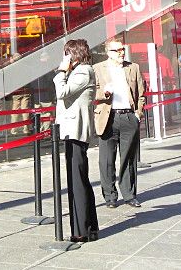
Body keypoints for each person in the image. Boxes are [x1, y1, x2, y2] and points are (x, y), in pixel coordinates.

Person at [53, 39, 99, 242]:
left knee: (77, 181)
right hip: (72, 130)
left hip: (75, 130)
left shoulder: (82, 71)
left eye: (66, 54)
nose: (64, 58)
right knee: (79, 179)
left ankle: (81, 230)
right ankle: (89, 228)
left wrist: (62, 71)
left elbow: (62, 91)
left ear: (74, 54)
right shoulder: (81, 71)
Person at [94, 40, 145, 209]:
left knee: (128, 159)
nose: (121, 53)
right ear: (108, 52)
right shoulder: (98, 69)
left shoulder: (133, 67)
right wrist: (104, 92)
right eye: (117, 51)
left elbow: (141, 93)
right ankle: (110, 197)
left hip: (128, 117)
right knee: (106, 160)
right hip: (108, 118)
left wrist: (138, 114)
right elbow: (92, 92)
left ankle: (129, 195)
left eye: (122, 49)